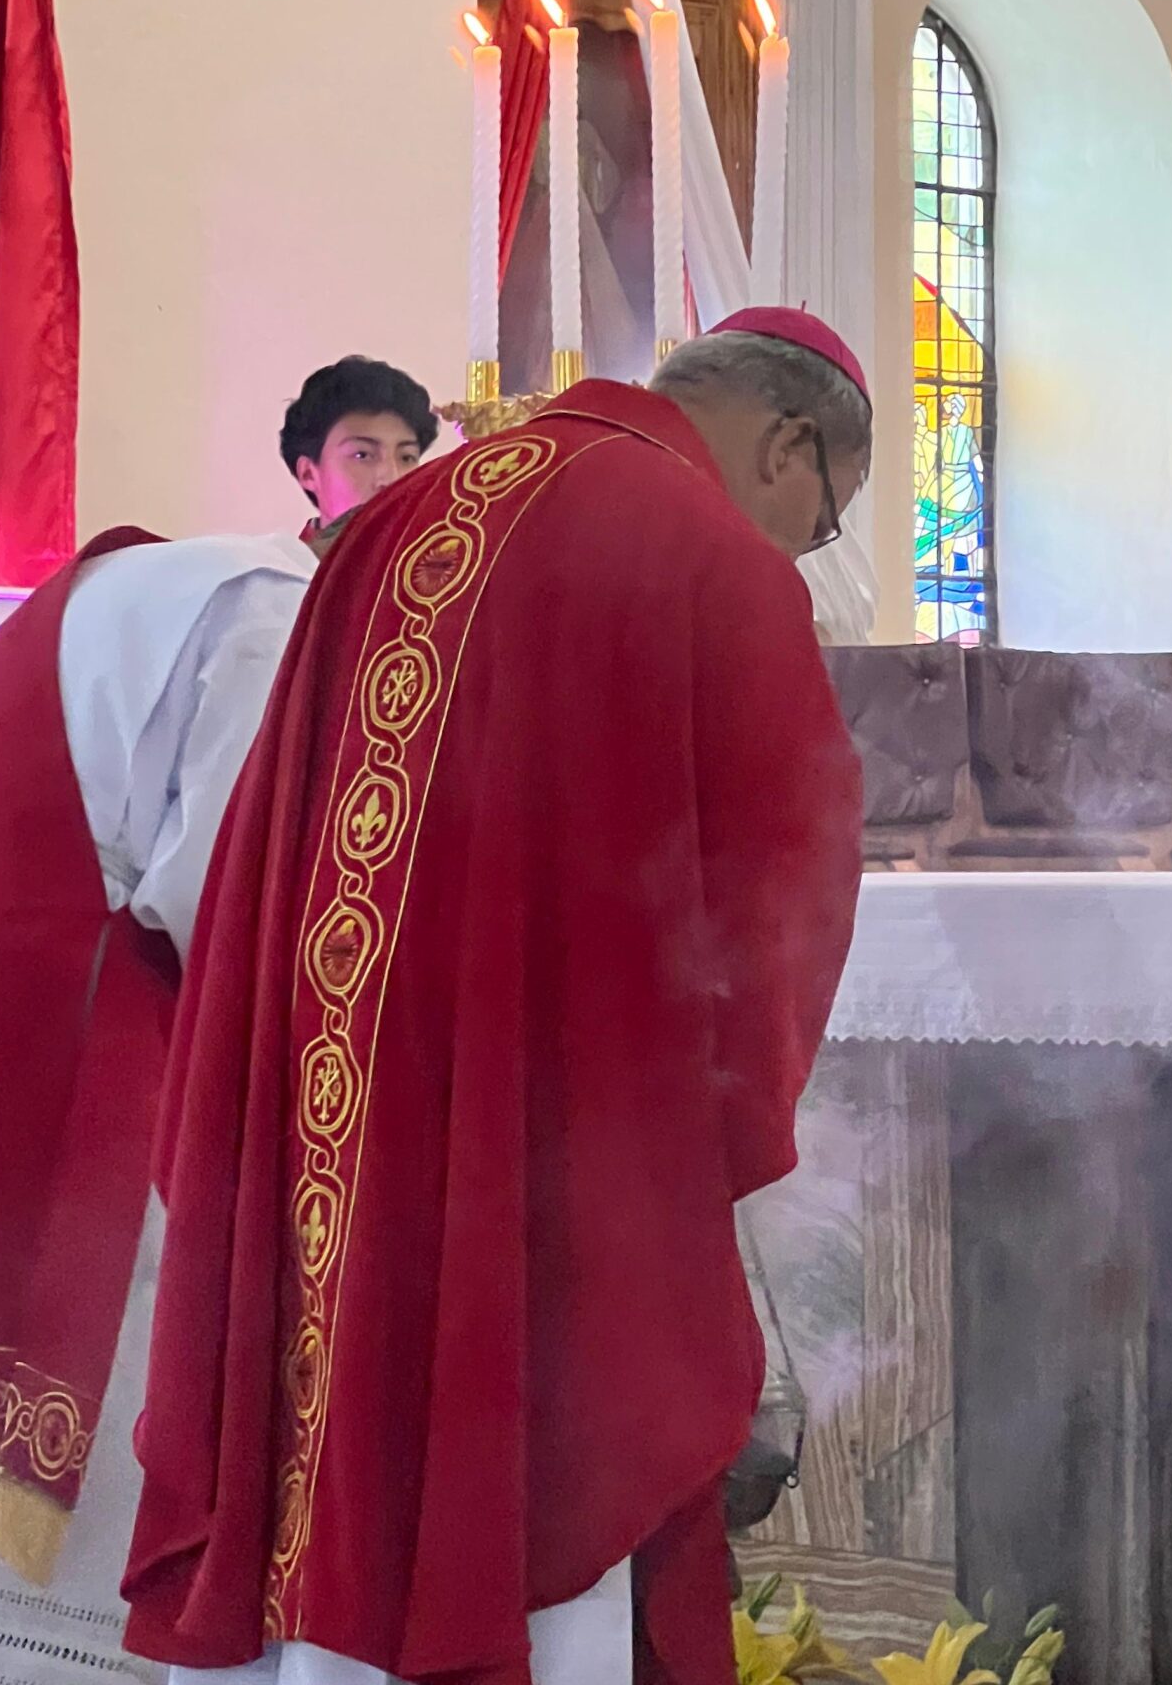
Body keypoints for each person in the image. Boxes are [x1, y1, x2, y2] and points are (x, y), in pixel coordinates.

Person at [122, 308, 870, 1685]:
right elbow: (781, 894)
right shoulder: (717, 564)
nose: (802, 549)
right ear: (790, 447)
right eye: (825, 519)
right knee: (520, 1493)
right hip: (533, 1158)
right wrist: (711, 1131)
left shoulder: (398, 519)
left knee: (329, 1462)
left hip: (325, 1116)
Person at [0, 368, 432, 1680]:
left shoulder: (168, 574)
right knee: (121, 1381)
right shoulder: (278, 612)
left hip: (7, 994)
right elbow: (227, 878)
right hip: (128, 1036)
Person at [280, 358, 440, 534]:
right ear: (308, 474)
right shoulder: (276, 561)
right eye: (362, 455)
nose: (391, 480)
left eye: (407, 457)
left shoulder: (438, 557)